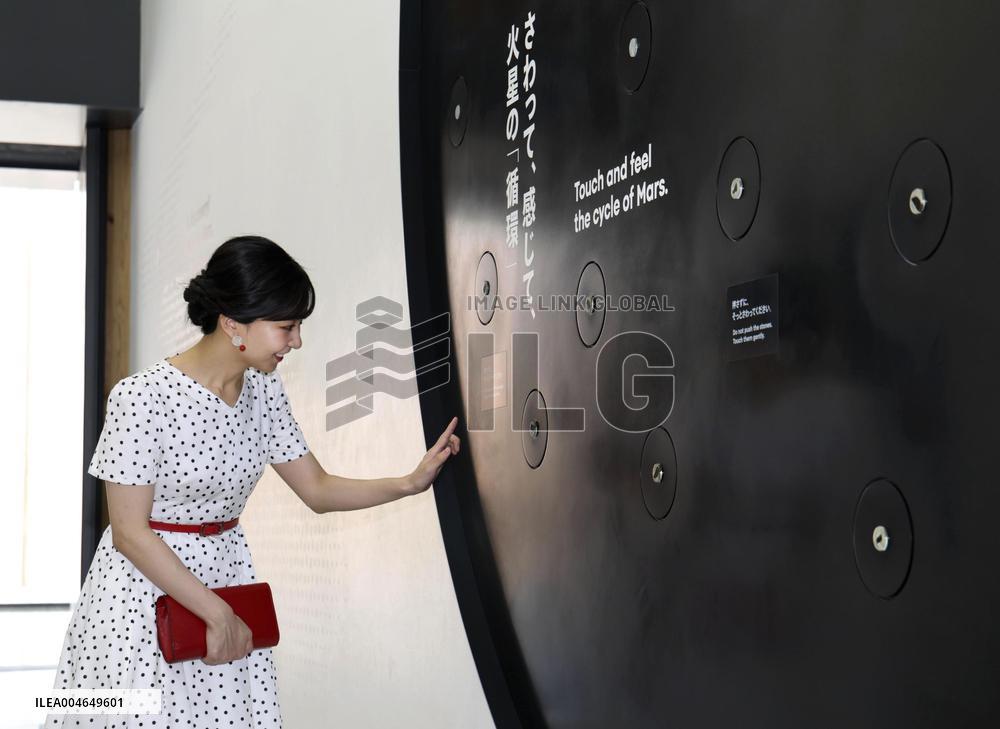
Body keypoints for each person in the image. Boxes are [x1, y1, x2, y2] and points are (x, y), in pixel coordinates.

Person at [45, 235, 461, 728]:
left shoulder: (263, 390)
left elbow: (318, 490)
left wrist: (409, 482)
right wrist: (215, 613)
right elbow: (129, 532)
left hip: (226, 585)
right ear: (232, 324)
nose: (297, 341)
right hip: (143, 599)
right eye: (286, 327)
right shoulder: (141, 397)